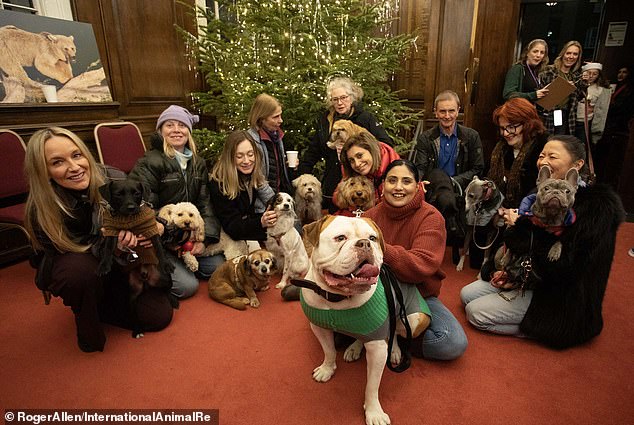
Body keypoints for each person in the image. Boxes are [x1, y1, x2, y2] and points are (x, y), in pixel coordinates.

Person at [461, 135, 625, 349]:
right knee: (467, 295)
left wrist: (521, 228)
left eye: (552, 156)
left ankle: (537, 331)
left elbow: (566, 268)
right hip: (533, 277)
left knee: (476, 314)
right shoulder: (541, 191)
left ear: (577, 165)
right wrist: (506, 272)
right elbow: (517, 242)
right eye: (541, 155)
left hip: (561, 297)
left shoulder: (597, 209)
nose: (543, 160)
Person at [24, 127, 173, 353]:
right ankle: (86, 311)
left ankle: (102, 300)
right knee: (78, 273)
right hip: (79, 262)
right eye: (57, 162)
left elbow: (145, 211)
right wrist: (112, 245)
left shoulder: (113, 177)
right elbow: (49, 256)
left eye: (77, 155)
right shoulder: (40, 208)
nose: (74, 167)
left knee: (158, 316)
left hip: (119, 264)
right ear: (43, 171)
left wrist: (160, 226)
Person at [363, 159, 468, 360]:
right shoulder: (370, 216)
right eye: (392, 180)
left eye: (406, 181)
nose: (399, 187)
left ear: (418, 185)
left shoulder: (431, 217)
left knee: (451, 343)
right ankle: (384, 334)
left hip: (420, 292)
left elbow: (422, 264)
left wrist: (380, 247)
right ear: (383, 185)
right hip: (373, 292)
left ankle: (391, 337)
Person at [129, 105, 223, 299]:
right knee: (188, 287)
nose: (176, 130)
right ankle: (163, 269)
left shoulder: (198, 163)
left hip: (189, 238)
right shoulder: (149, 162)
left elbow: (205, 204)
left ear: (188, 131)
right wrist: (171, 235)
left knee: (219, 268)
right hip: (162, 241)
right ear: (161, 131)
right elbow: (143, 206)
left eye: (181, 125)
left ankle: (184, 263)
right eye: (169, 125)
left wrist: (204, 241)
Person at [298, 76, 394, 212]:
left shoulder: (365, 118)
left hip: (359, 182)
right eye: (335, 99)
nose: (340, 103)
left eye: (344, 97)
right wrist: (301, 174)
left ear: (352, 97)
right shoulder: (325, 120)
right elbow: (313, 151)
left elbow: (386, 144)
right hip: (333, 182)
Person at [209, 130, 277, 243]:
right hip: (224, 239)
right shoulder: (219, 183)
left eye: (250, 155)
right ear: (230, 158)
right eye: (239, 156)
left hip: (245, 233)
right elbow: (233, 227)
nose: (247, 161)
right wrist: (260, 222)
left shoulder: (251, 175)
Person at [412, 90, 485, 192]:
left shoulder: (472, 136)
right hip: (433, 189)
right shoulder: (425, 138)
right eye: (442, 111)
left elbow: (478, 169)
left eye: (451, 111)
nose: (447, 116)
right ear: (436, 112)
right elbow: (421, 168)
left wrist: (453, 181)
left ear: (457, 111)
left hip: (461, 189)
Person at [489, 98, 549, 209]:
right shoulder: (501, 149)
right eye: (502, 128)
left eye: (511, 127)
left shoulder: (544, 149)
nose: (506, 133)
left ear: (528, 124)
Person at [334, 130, 400, 209]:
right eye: (351, 160)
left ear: (371, 151)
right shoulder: (352, 171)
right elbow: (338, 198)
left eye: (359, 156)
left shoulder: (396, 171)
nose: (357, 164)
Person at [595, 64, 634, 187]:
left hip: (618, 129)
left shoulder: (629, 90)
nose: (621, 75)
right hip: (607, 126)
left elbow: (622, 109)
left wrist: (608, 105)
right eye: (619, 72)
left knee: (612, 162)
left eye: (624, 72)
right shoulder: (614, 87)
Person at [247, 93, 294, 194]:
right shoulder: (251, 141)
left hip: (279, 199)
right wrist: (272, 200)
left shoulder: (277, 136)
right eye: (275, 117)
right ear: (261, 119)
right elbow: (257, 178)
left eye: (280, 115)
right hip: (263, 204)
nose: (280, 120)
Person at [539, 41, 585, 135]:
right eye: (568, 53)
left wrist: (584, 83)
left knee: (559, 142)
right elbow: (541, 96)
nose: (571, 57)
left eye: (575, 54)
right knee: (547, 141)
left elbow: (579, 97)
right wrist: (562, 87)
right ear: (563, 54)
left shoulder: (576, 75)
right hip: (550, 114)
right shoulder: (550, 70)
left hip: (565, 115)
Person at [574, 62, 611, 145]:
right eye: (589, 73)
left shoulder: (600, 89)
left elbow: (601, 110)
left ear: (598, 75)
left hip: (586, 122)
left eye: (594, 74)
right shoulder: (577, 84)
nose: (591, 76)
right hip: (572, 119)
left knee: (581, 145)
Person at [502, 38, 550, 103]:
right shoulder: (517, 69)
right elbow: (508, 94)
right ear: (527, 53)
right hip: (518, 111)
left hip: (531, 110)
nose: (538, 55)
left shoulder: (538, 71)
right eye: (535, 51)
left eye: (542, 53)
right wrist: (533, 95)